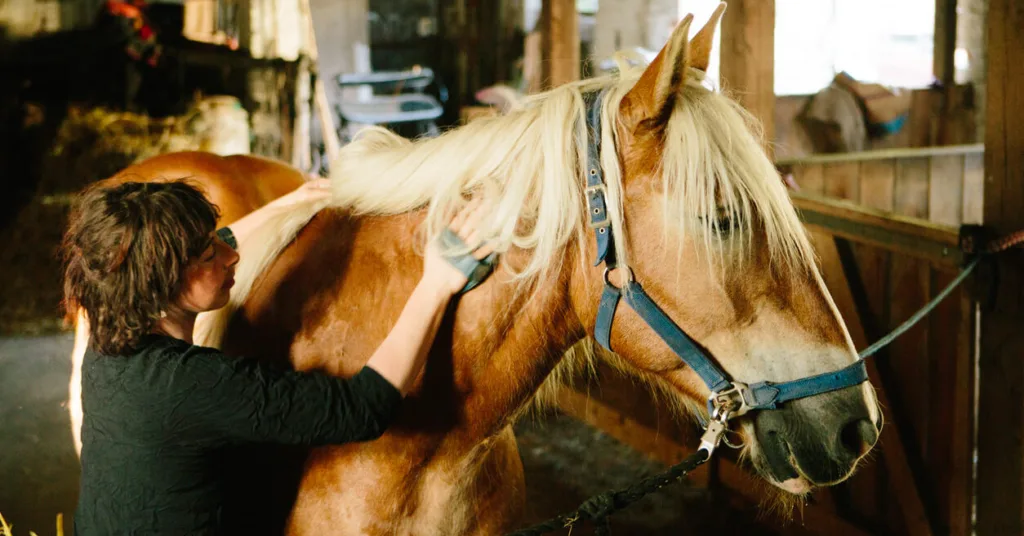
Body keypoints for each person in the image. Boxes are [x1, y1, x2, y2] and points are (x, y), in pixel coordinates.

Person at [63, 178, 495, 535]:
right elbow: (364, 407)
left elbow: (210, 247)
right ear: (162, 280)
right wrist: (437, 281)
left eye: (218, 241)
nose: (231, 255)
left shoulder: (108, 332)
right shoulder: (194, 384)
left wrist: (287, 205)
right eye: (211, 255)